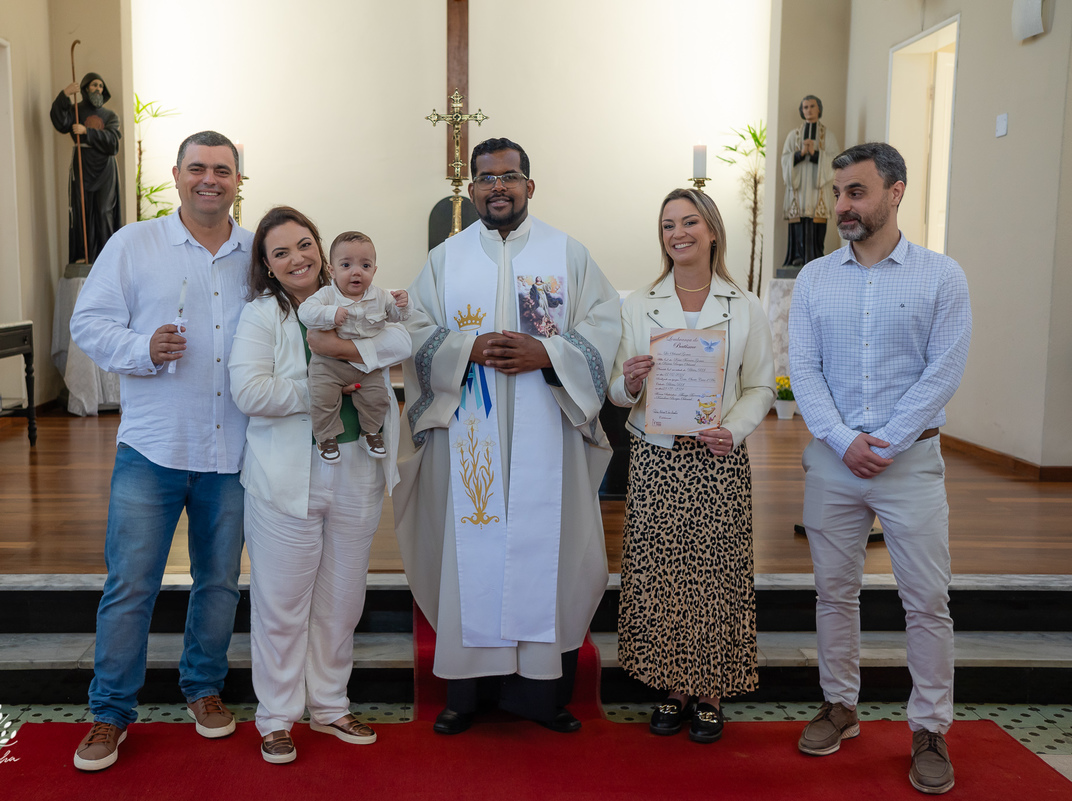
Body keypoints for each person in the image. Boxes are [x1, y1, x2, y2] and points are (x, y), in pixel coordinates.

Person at [393, 137, 621, 735]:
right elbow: (413, 330)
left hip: (548, 424)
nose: (499, 187)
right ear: (471, 191)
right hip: (470, 429)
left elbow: (603, 324)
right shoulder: (445, 259)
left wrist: (547, 352)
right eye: (487, 178)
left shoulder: (567, 253)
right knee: (471, 546)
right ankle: (466, 695)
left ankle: (541, 697)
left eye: (510, 176)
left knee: (545, 546)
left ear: (529, 185)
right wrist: (466, 348)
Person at [788, 142, 971, 794]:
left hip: (911, 461)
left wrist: (885, 440)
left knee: (926, 601)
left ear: (895, 192)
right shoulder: (815, 279)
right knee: (834, 592)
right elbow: (803, 371)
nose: (842, 205)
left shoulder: (941, 276)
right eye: (838, 192)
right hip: (835, 462)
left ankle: (928, 728)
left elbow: (943, 370)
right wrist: (843, 440)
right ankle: (841, 704)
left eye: (856, 191)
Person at [68, 131, 251, 771]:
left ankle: (203, 689)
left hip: (233, 451)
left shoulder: (256, 253)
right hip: (153, 446)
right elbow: (88, 322)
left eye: (222, 170)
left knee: (221, 582)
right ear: (176, 175)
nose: (210, 179)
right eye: (197, 168)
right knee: (131, 584)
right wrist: (142, 349)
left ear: (238, 181)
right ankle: (110, 712)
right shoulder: (134, 244)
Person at [228, 207, 411, 765]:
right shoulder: (262, 315)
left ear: (322, 249)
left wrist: (347, 354)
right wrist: (328, 387)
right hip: (287, 475)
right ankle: (277, 717)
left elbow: (404, 341)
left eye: (304, 245)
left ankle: (330, 704)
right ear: (266, 263)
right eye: (281, 252)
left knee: (341, 599)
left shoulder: (357, 298)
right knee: (283, 604)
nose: (297, 258)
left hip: (356, 466)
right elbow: (251, 393)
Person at [608, 188, 774, 743]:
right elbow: (615, 389)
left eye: (689, 222)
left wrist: (737, 428)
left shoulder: (744, 305)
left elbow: (759, 386)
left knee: (713, 574)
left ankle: (710, 690)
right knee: (663, 572)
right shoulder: (639, 304)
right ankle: (672, 688)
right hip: (657, 459)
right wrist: (630, 380)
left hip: (716, 454)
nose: (677, 233)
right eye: (667, 226)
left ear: (712, 231)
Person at [297, 231, 411, 463]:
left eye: (365, 265)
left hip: (365, 365)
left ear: (374, 271)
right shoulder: (327, 295)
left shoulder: (381, 296)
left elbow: (398, 318)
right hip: (329, 364)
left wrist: (404, 304)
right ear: (332, 270)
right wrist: (330, 314)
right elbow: (305, 312)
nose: (356, 271)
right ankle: (326, 437)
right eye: (346, 265)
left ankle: (370, 433)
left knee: (378, 398)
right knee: (322, 397)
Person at [50, 72, 122, 264]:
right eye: (94, 85)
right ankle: (84, 256)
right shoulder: (75, 111)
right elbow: (60, 121)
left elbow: (113, 143)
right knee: (81, 209)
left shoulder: (110, 116)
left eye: (100, 86)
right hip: (82, 165)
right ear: (85, 89)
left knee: (104, 211)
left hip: (105, 170)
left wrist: (86, 131)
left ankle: (108, 258)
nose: (98, 89)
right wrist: (64, 94)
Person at [780, 94, 835, 268]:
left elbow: (835, 161)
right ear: (801, 111)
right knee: (798, 222)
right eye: (805, 107)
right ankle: (797, 256)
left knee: (816, 222)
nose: (809, 110)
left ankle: (816, 256)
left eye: (812, 106)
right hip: (798, 189)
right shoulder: (793, 135)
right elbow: (785, 159)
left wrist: (815, 154)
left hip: (817, 188)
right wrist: (800, 154)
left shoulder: (828, 136)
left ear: (819, 109)